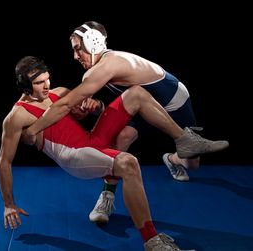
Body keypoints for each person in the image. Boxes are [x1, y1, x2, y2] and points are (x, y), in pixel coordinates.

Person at [22, 21, 229, 224]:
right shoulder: (100, 67)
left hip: (175, 103)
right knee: (123, 136)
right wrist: (98, 108)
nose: (75, 56)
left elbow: (65, 105)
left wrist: (33, 129)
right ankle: (107, 196)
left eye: (78, 49)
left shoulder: (107, 65)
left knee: (192, 164)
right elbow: (125, 103)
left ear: (93, 42)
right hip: (143, 104)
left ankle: (174, 159)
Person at [0, 55, 211, 250]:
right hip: (74, 156)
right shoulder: (17, 117)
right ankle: (152, 241)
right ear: (25, 85)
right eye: (38, 83)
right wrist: (9, 204)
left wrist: (93, 107)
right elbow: (4, 162)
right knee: (129, 164)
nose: (46, 86)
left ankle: (184, 141)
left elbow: (82, 113)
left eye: (47, 79)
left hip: (92, 140)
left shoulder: (59, 93)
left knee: (135, 93)